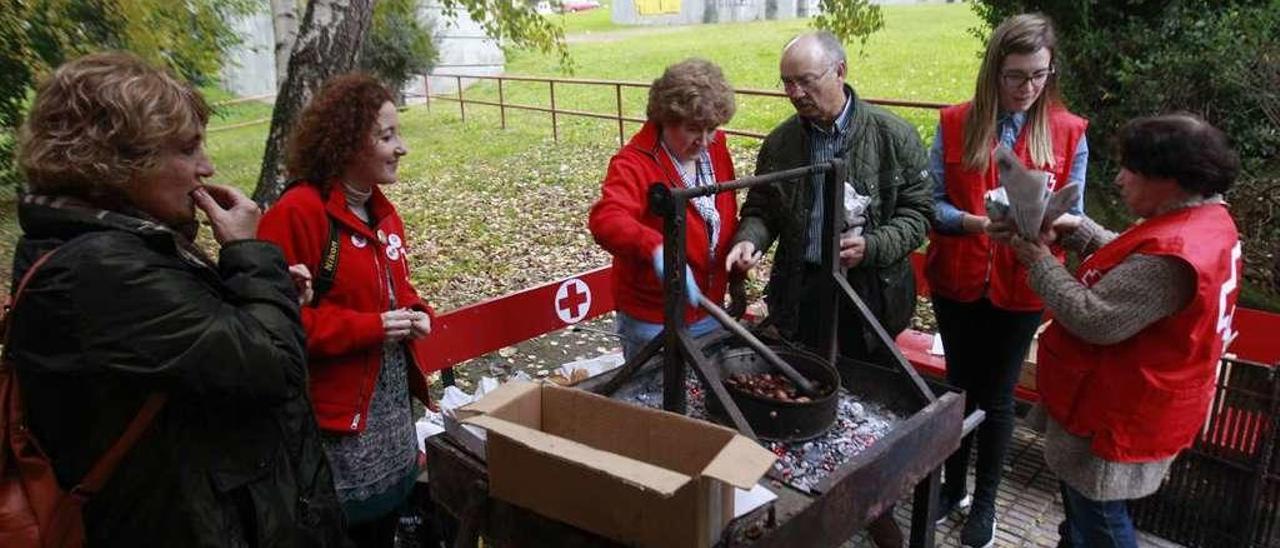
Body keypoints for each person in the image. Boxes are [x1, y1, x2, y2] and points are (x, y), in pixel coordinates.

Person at [6, 52, 347, 546]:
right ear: (116, 161)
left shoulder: (121, 244)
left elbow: (199, 355)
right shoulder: (97, 270)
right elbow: (273, 367)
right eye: (187, 150)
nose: (206, 167)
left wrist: (258, 290)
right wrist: (251, 256)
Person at [725, 31, 932, 547]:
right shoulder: (781, 143)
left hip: (871, 296)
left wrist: (876, 244)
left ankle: (874, 508)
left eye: (805, 80)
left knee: (868, 411)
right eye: (786, 83)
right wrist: (749, 242)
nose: (794, 92)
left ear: (839, 71)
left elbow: (920, 212)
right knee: (804, 394)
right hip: (803, 293)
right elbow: (762, 210)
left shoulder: (892, 135)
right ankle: (810, 504)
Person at [1003, 114, 1241, 548]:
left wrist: (1036, 261)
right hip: (1141, 399)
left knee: (1099, 518)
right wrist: (1081, 231)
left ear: (1168, 180)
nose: (1119, 179)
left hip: (1118, 413)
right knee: (1085, 515)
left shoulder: (1171, 258)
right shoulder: (1204, 222)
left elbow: (1097, 317)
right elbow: (1134, 263)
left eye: (1130, 169)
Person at [922, 13, 1089, 547]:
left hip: (1022, 288)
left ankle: (987, 504)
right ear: (994, 71)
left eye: (1039, 75)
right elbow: (931, 204)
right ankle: (953, 488)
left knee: (996, 397)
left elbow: (1076, 216)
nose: (1028, 88)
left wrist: (1045, 219)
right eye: (1016, 76)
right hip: (959, 278)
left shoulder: (1068, 130)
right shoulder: (955, 122)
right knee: (957, 389)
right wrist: (973, 223)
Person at [258, 74, 437, 547]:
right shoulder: (298, 214)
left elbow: (397, 290)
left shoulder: (383, 213)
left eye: (398, 133)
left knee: (386, 527)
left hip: (391, 426)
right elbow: (275, 326)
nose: (402, 148)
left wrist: (417, 312)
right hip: (337, 436)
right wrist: (372, 328)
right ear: (346, 142)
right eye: (386, 136)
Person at [588, 58, 738, 360]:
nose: (706, 140)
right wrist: (656, 248)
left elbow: (720, 213)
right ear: (666, 118)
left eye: (713, 128)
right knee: (655, 402)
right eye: (695, 129)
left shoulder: (716, 147)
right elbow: (606, 219)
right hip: (653, 320)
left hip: (709, 307)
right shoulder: (634, 162)